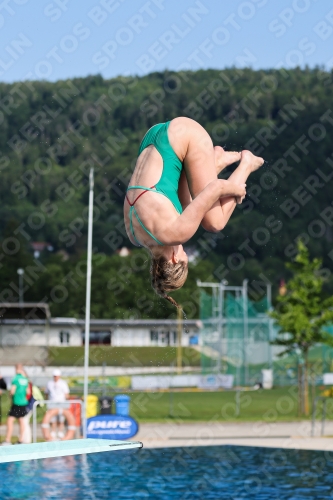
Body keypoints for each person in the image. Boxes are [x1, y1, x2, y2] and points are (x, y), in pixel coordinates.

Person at [124, 117, 264, 307]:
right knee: (187, 209)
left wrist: (238, 190)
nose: (184, 251)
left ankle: (247, 163)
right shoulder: (134, 235)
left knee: (214, 222)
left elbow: (215, 188)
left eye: (184, 256)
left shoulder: (175, 235)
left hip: (185, 135)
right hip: (153, 136)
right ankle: (213, 163)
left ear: (174, 260)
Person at [2, 364, 29, 445]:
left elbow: (12, 391)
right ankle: (21, 439)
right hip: (23, 402)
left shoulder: (16, 378)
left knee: (10, 420)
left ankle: (7, 439)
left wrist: (10, 396)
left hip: (16, 402)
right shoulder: (25, 379)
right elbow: (28, 392)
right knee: (21, 420)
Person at [45, 369, 70, 439]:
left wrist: (67, 402)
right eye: (54, 376)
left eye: (57, 376)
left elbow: (66, 394)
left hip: (61, 403)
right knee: (53, 419)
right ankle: (53, 432)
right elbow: (46, 393)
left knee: (61, 419)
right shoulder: (49, 383)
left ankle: (60, 432)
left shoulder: (63, 383)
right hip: (52, 403)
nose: (56, 377)